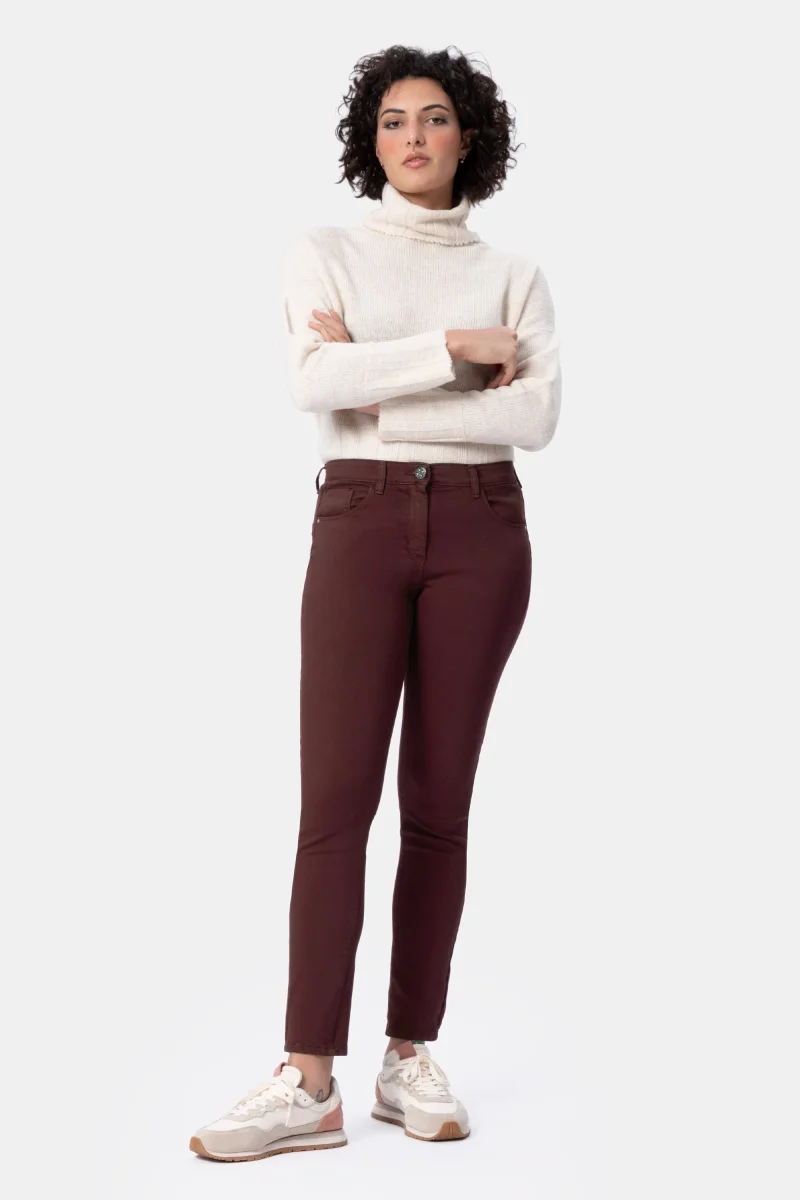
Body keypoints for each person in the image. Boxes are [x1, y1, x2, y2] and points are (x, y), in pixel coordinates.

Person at [189, 43, 561, 1162]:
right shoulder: (326, 253)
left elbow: (534, 419)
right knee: (335, 802)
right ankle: (308, 1078)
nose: (412, 135)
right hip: (356, 522)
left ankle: (408, 1053)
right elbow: (312, 382)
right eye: (392, 119)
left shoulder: (515, 276)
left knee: (439, 803)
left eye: (434, 117)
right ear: (370, 140)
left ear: (467, 138)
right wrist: (455, 353)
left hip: (483, 530)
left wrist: (384, 387)